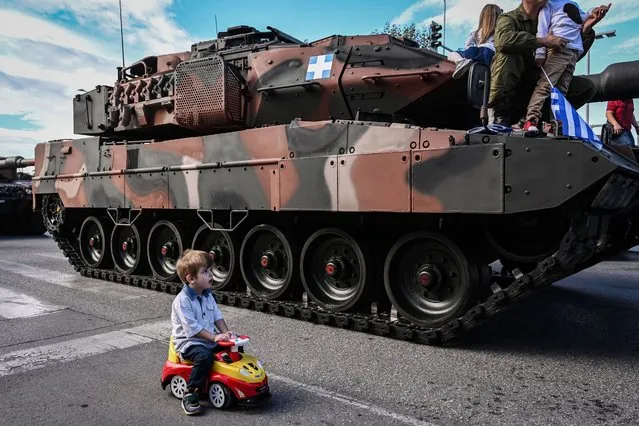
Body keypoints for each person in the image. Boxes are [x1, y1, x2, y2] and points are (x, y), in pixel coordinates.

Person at [487, 0, 610, 127]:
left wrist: (584, 30)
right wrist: (544, 41)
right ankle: (499, 114)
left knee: (586, 87)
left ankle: (548, 120)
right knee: (508, 57)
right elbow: (502, 40)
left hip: (540, 77)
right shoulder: (509, 19)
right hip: (515, 85)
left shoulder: (557, 12)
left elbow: (570, 56)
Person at [523, 1, 608, 131]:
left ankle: (554, 124)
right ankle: (531, 120)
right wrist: (540, 54)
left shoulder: (572, 3)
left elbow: (582, 17)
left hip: (573, 51)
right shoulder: (548, 5)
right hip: (558, 50)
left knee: (561, 90)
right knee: (545, 85)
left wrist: (594, 12)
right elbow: (542, 29)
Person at [171, 249, 234, 415]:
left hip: (208, 339)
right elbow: (193, 329)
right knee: (204, 356)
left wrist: (226, 334)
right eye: (205, 272)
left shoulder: (207, 295)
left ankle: (234, 382)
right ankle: (191, 393)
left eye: (210, 270)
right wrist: (215, 337)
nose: (210, 274)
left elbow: (217, 317)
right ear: (191, 279)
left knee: (233, 349)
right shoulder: (182, 301)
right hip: (189, 342)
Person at [448, 4, 503, 79]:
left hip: (477, 52)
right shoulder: (500, 31)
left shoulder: (476, 32)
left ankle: (461, 61)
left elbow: (467, 45)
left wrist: (471, 48)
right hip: (492, 55)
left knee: (451, 54)